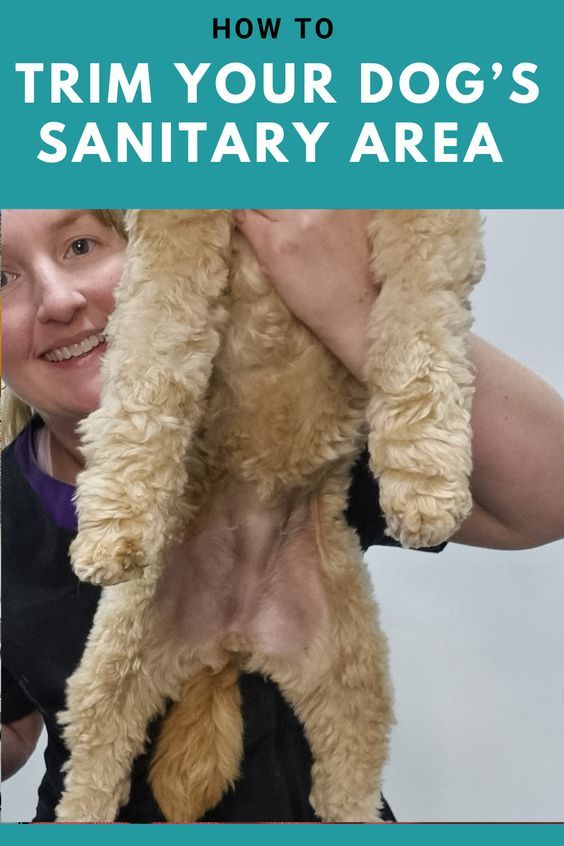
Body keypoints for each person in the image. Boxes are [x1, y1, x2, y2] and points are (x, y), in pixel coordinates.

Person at [2, 209, 563, 823]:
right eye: (1, 280)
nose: (59, 300)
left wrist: (355, 308)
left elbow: (547, 500)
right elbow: (15, 731)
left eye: (82, 246)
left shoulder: (290, 426)